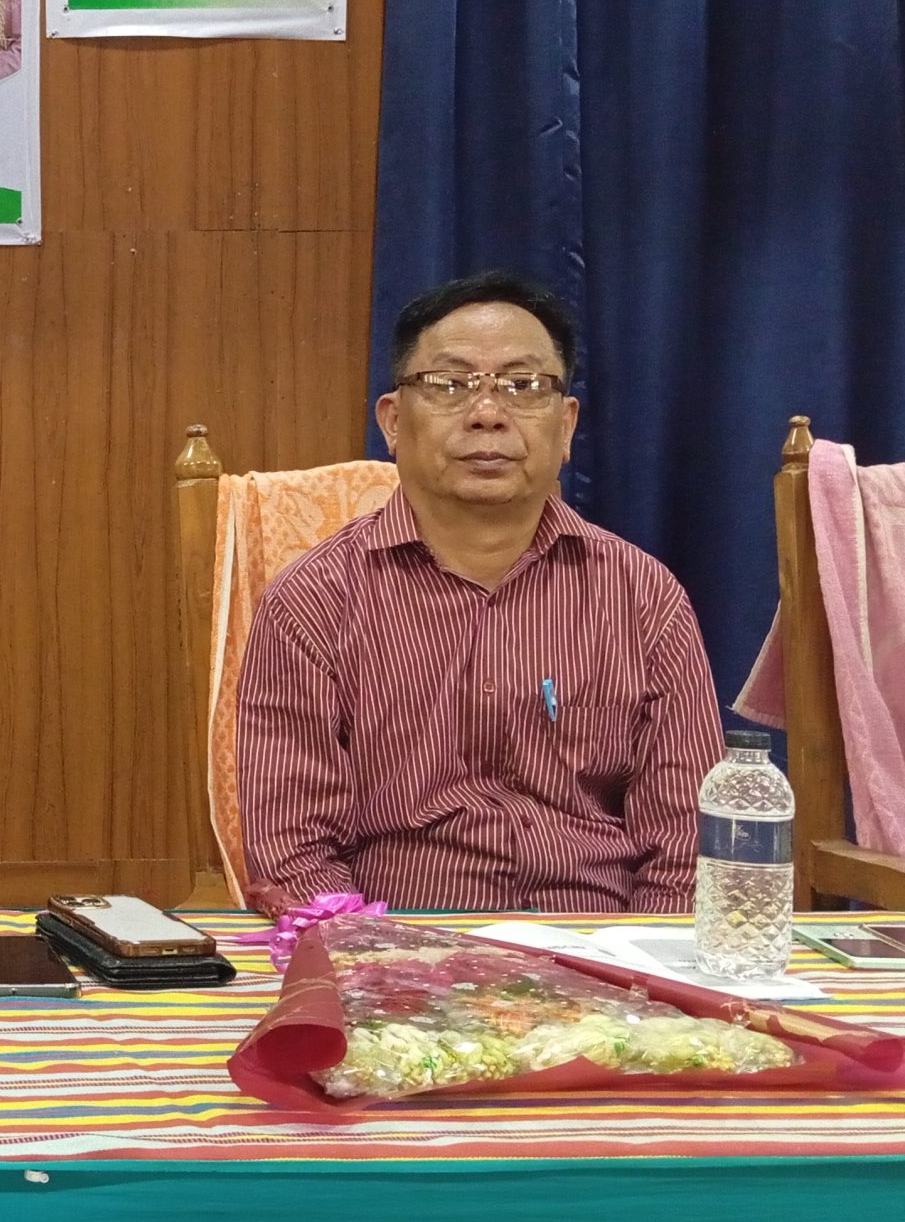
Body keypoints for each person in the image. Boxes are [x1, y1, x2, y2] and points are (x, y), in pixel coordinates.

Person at [235, 272, 720, 914]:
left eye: (523, 385)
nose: (488, 414)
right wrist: (380, 958)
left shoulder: (641, 597)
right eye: (450, 384)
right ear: (393, 421)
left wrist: (634, 965)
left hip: (598, 944)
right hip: (396, 946)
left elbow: (688, 848)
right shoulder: (313, 602)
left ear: (566, 425)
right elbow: (293, 854)